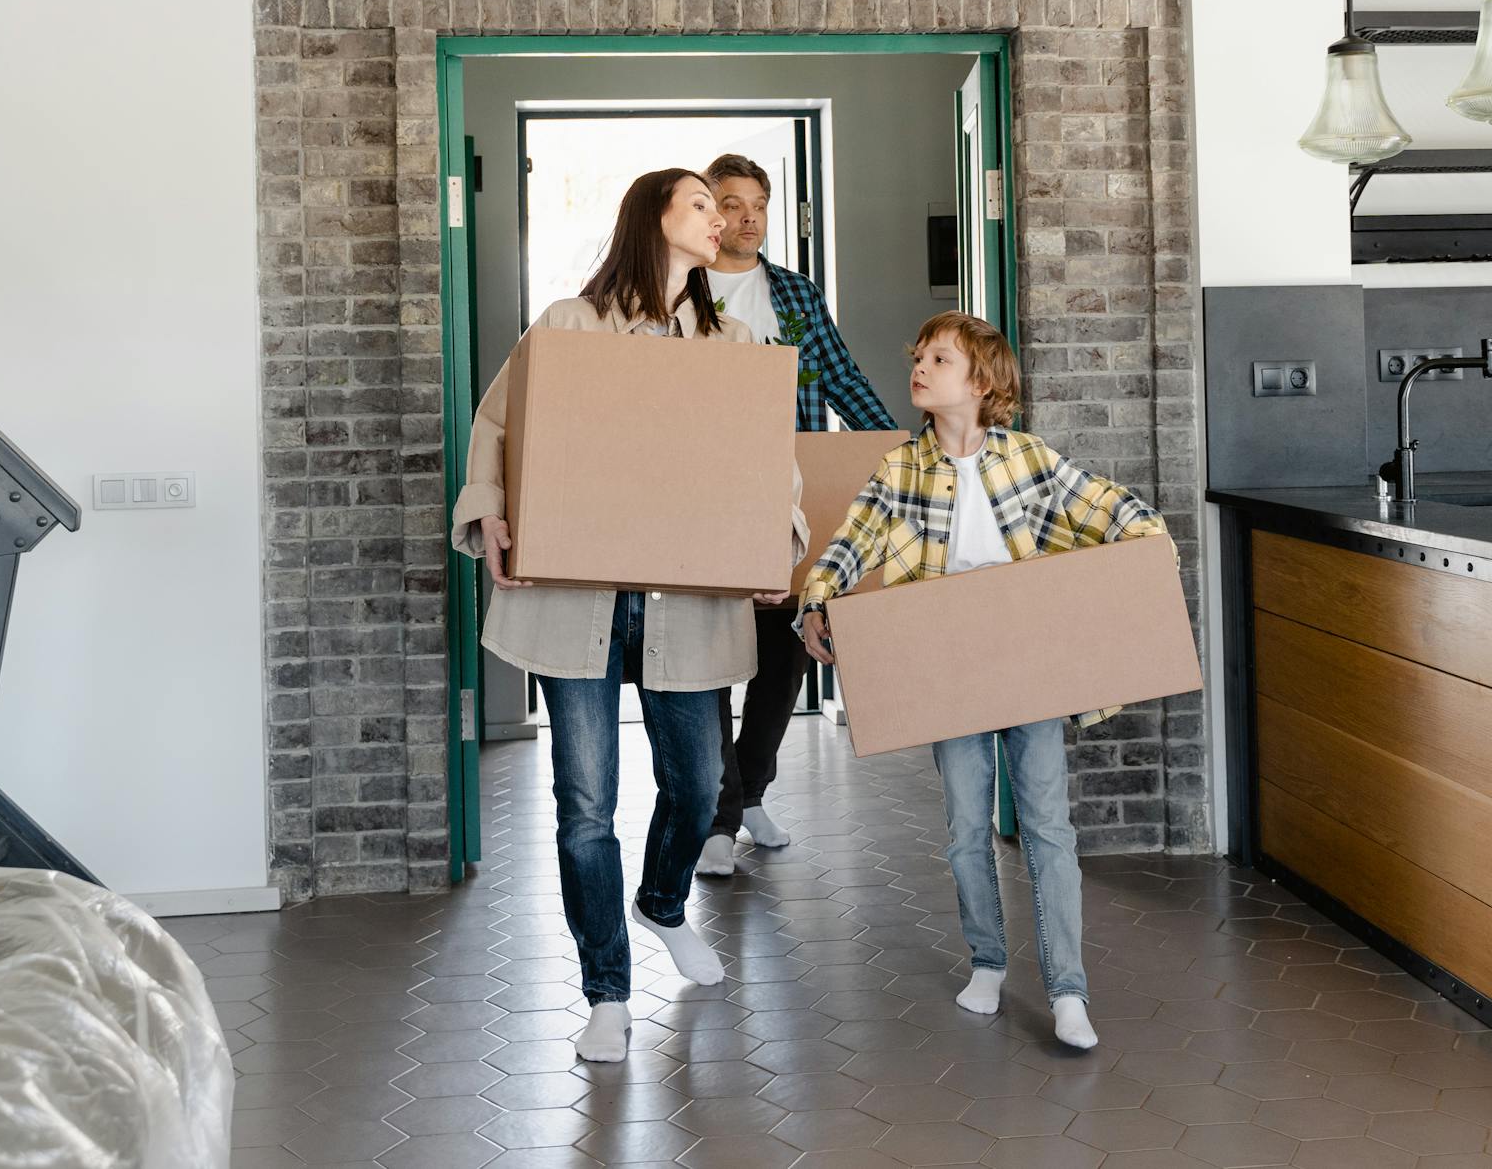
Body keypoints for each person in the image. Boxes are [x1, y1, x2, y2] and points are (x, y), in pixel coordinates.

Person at [451, 168, 806, 1066]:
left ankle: (662, 901)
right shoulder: (569, 325)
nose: (719, 215)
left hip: (683, 601)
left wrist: (777, 539)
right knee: (585, 806)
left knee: (694, 786)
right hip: (580, 604)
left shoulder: (727, 340)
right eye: (700, 201)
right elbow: (498, 424)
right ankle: (606, 988)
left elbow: (770, 457)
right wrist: (488, 507)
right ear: (654, 216)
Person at [796, 312, 1168, 1052]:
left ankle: (1068, 990)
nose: (921, 367)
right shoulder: (901, 468)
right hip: (947, 664)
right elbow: (851, 540)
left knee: (1047, 827)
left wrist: (1152, 547)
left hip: (1027, 656)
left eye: (939, 357)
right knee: (968, 827)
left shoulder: (1026, 457)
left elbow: (1102, 503)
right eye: (920, 355)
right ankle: (989, 962)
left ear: (982, 380)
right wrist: (815, 598)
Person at [696, 151, 898, 880]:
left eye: (758, 204)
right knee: (709, 658)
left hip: (791, 501)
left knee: (783, 659)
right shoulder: (677, 292)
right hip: (705, 499)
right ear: (709, 210)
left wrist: (900, 448)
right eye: (731, 203)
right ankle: (717, 817)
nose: (747, 217)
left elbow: (841, 376)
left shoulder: (795, 295)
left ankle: (749, 792)